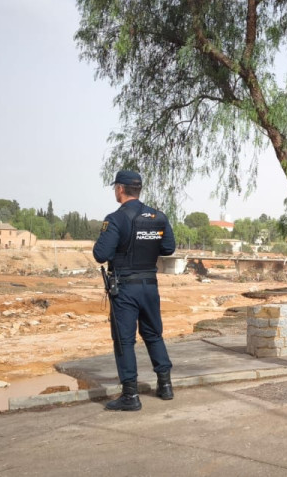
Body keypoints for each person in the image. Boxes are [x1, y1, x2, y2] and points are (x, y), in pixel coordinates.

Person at [93, 170, 178, 411]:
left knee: (124, 340)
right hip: (150, 286)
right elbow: (168, 248)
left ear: (120, 189)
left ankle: (130, 395)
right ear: (138, 189)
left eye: (115, 188)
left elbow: (101, 255)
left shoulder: (116, 219)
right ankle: (165, 385)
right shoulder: (158, 216)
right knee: (153, 335)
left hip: (125, 288)